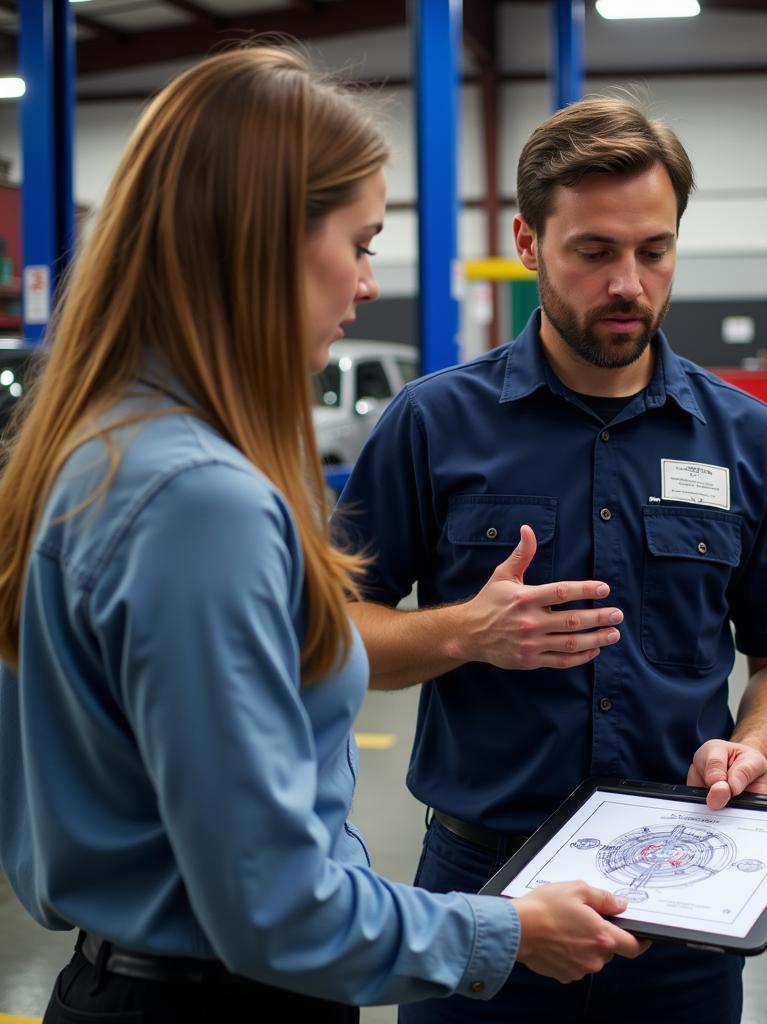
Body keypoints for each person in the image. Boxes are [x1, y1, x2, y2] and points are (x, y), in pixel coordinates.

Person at [0, 49, 647, 1024]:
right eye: (361, 238)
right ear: (260, 244)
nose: (368, 281)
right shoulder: (198, 502)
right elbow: (276, 907)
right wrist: (506, 931)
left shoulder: (97, 449)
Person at [336, 96, 767, 1023]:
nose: (628, 283)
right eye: (594, 252)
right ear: (530, 244)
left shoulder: (747, 439)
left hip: (682, 896)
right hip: (482, 892)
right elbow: (332, 638)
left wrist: (754, 744)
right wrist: (463, 634)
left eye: (654, 251)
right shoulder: (432, 424)